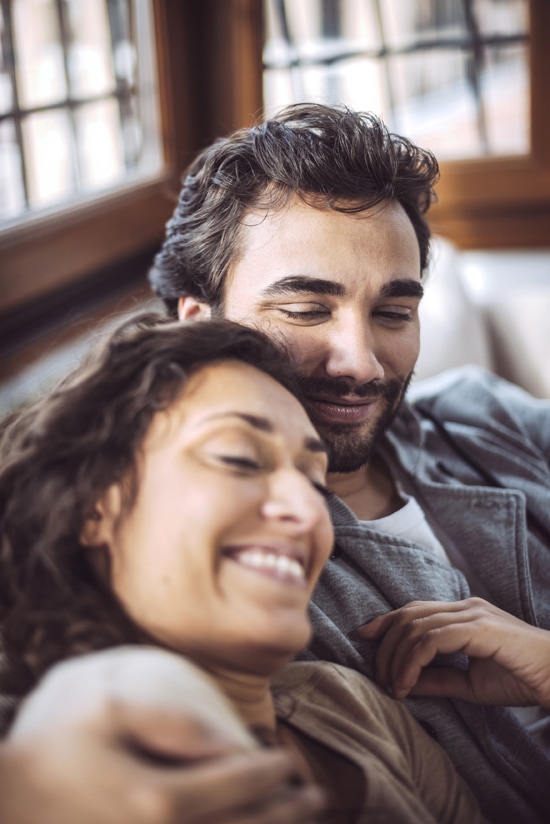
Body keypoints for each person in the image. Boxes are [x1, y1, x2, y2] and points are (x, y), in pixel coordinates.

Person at [147, 102, 550, 823]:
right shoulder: (242, 558)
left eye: (393, 313)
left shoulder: (485, 415)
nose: (362, 363)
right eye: (305, 310)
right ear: (197, 325)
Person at [0, 312, 485, 823]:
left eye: (316, 486)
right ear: (94, 506)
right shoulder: (39, 752)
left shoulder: (355, 708)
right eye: (240, 460)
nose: (306, 512)